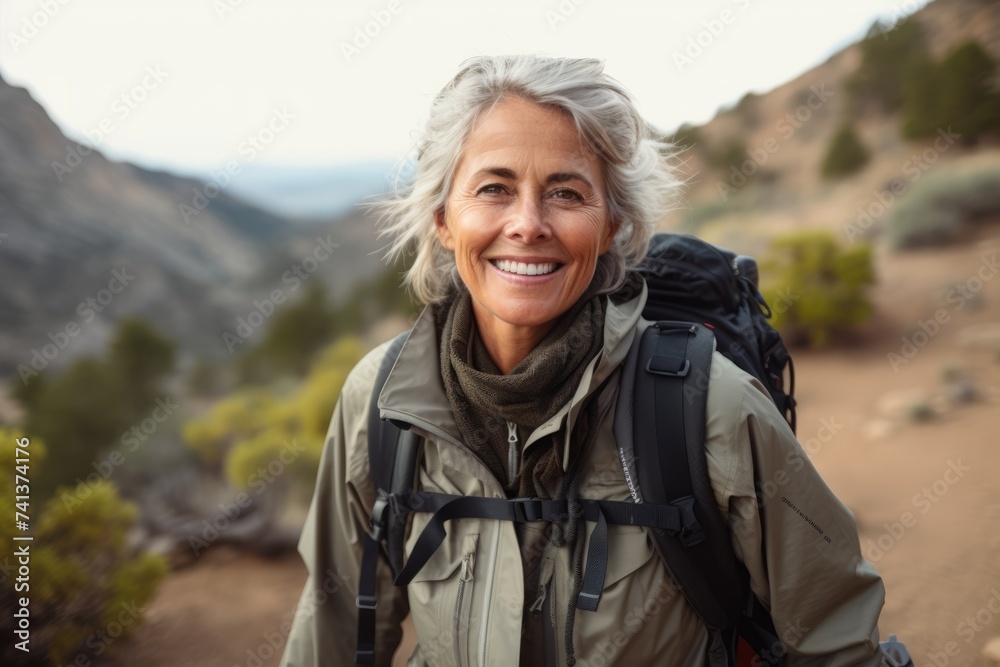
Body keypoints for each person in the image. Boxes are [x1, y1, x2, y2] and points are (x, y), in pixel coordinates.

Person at [279, 54, 887, 667]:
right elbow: (333, 627)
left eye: (566, 193)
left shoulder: (707, 407)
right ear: (443, 218)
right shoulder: (381, 402)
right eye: (494, 188)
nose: (527, 224)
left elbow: (836, 640)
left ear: (612, 224)